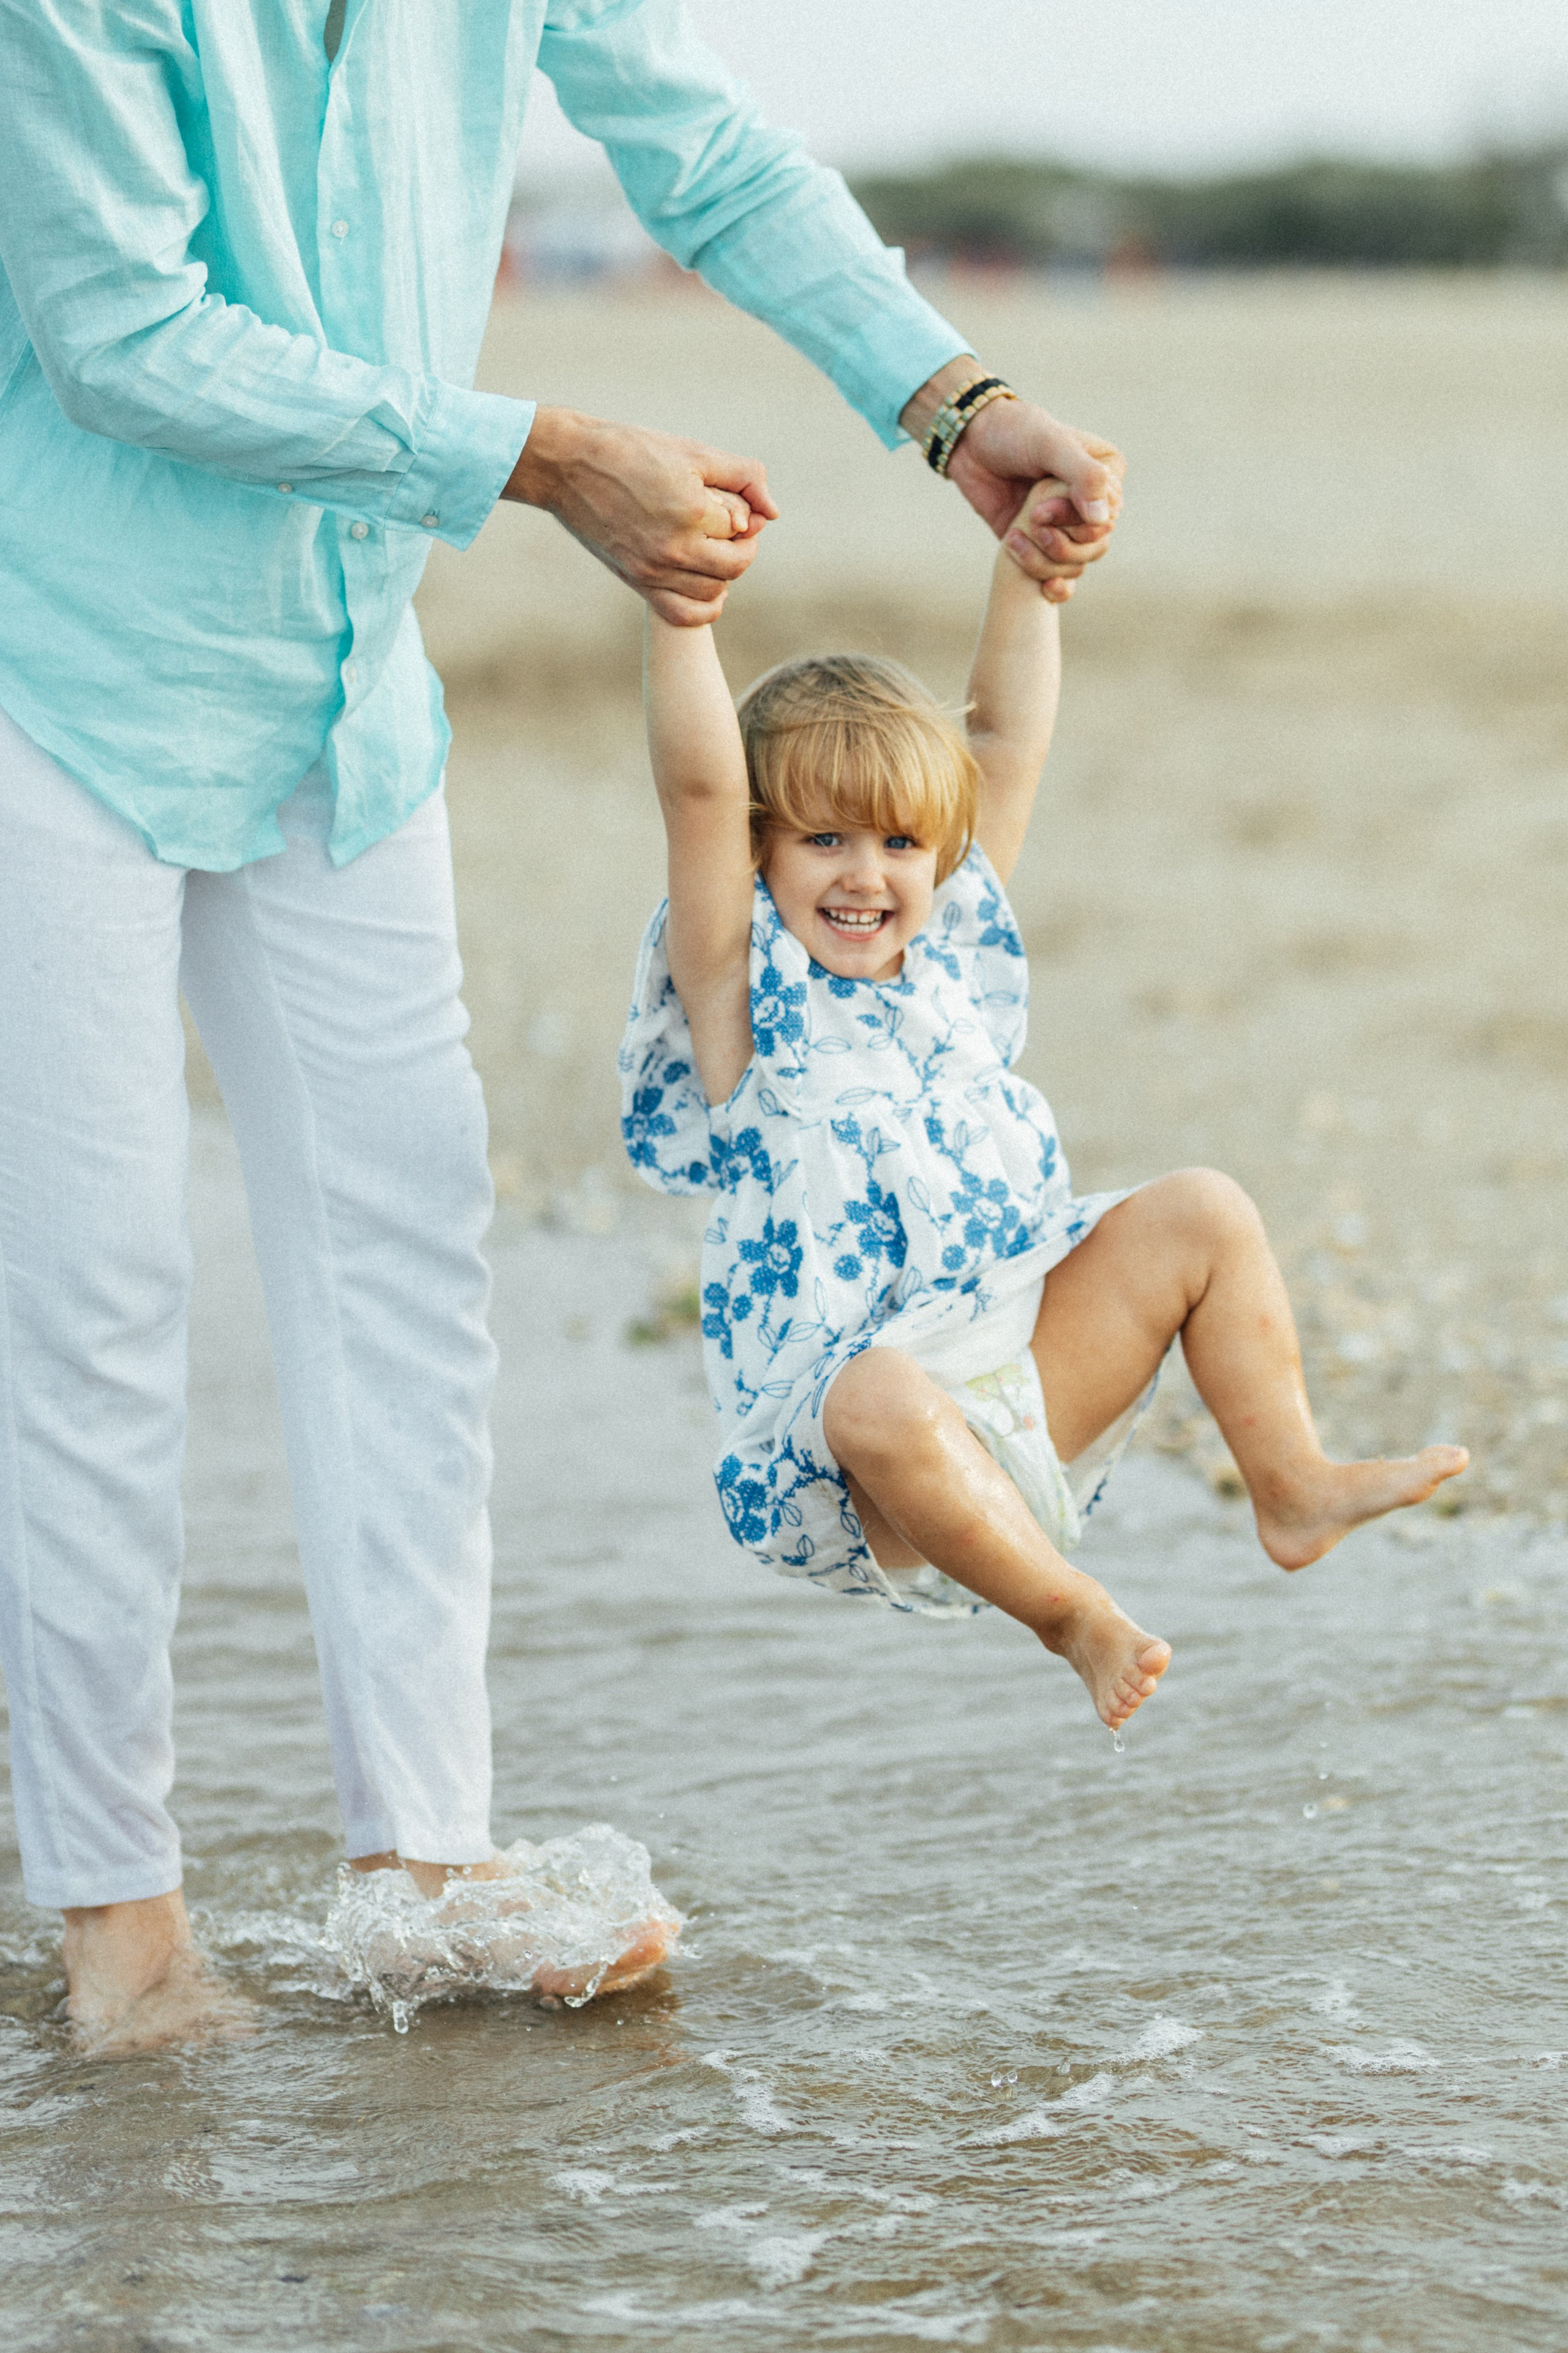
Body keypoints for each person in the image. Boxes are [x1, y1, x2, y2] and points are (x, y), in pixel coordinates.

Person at [0, 2, 1126, 2053]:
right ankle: (121, 1930)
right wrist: (539, 456)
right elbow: (117, 334)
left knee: (410, 1253)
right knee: (95, 1297)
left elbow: (702, 145)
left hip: (341, 680)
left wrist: (954, 403)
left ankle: (426, 1867)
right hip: (52, 668)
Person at [620, 493, 1470, 1725]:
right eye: (824, 839)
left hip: (1025, 1372)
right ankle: (1070, 1613)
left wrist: (1029, 569)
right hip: (855, 1463)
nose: (866, 874)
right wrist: (679, 611)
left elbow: (1001, 738)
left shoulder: (951, 962)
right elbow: (699, 791)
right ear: (761, 853)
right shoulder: (745, 1007)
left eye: (900, 843)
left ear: (939, 855)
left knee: (1203, 1210)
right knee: (877, 1390)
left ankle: (1289, 1483)